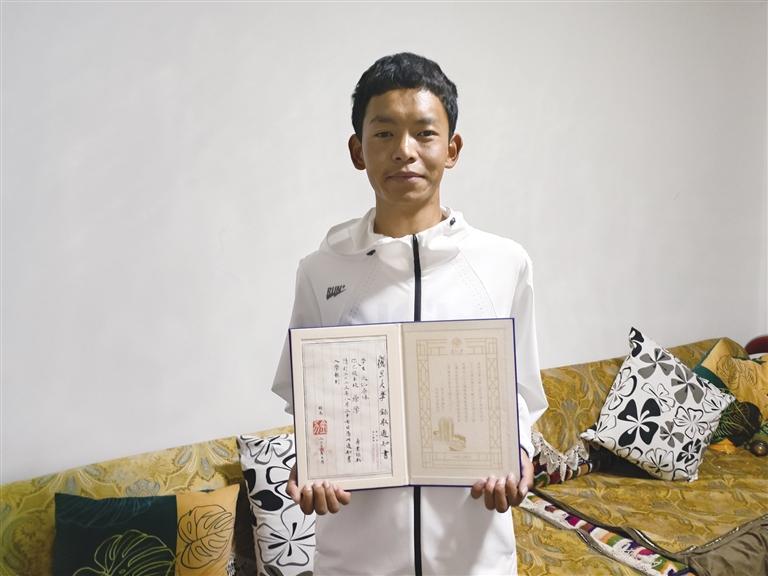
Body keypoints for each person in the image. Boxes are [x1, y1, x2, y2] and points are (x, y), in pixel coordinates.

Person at [272, 52, 548, 575]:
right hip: (356, 559)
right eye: (384, 134)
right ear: (358, 151)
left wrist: (516, 453)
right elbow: (308, 402)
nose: (404, 150)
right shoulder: (321, 269)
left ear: (452, 149)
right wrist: (309, 464)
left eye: (424, 133)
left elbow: (520, 391)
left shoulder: (504, 263)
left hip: (472, 556)